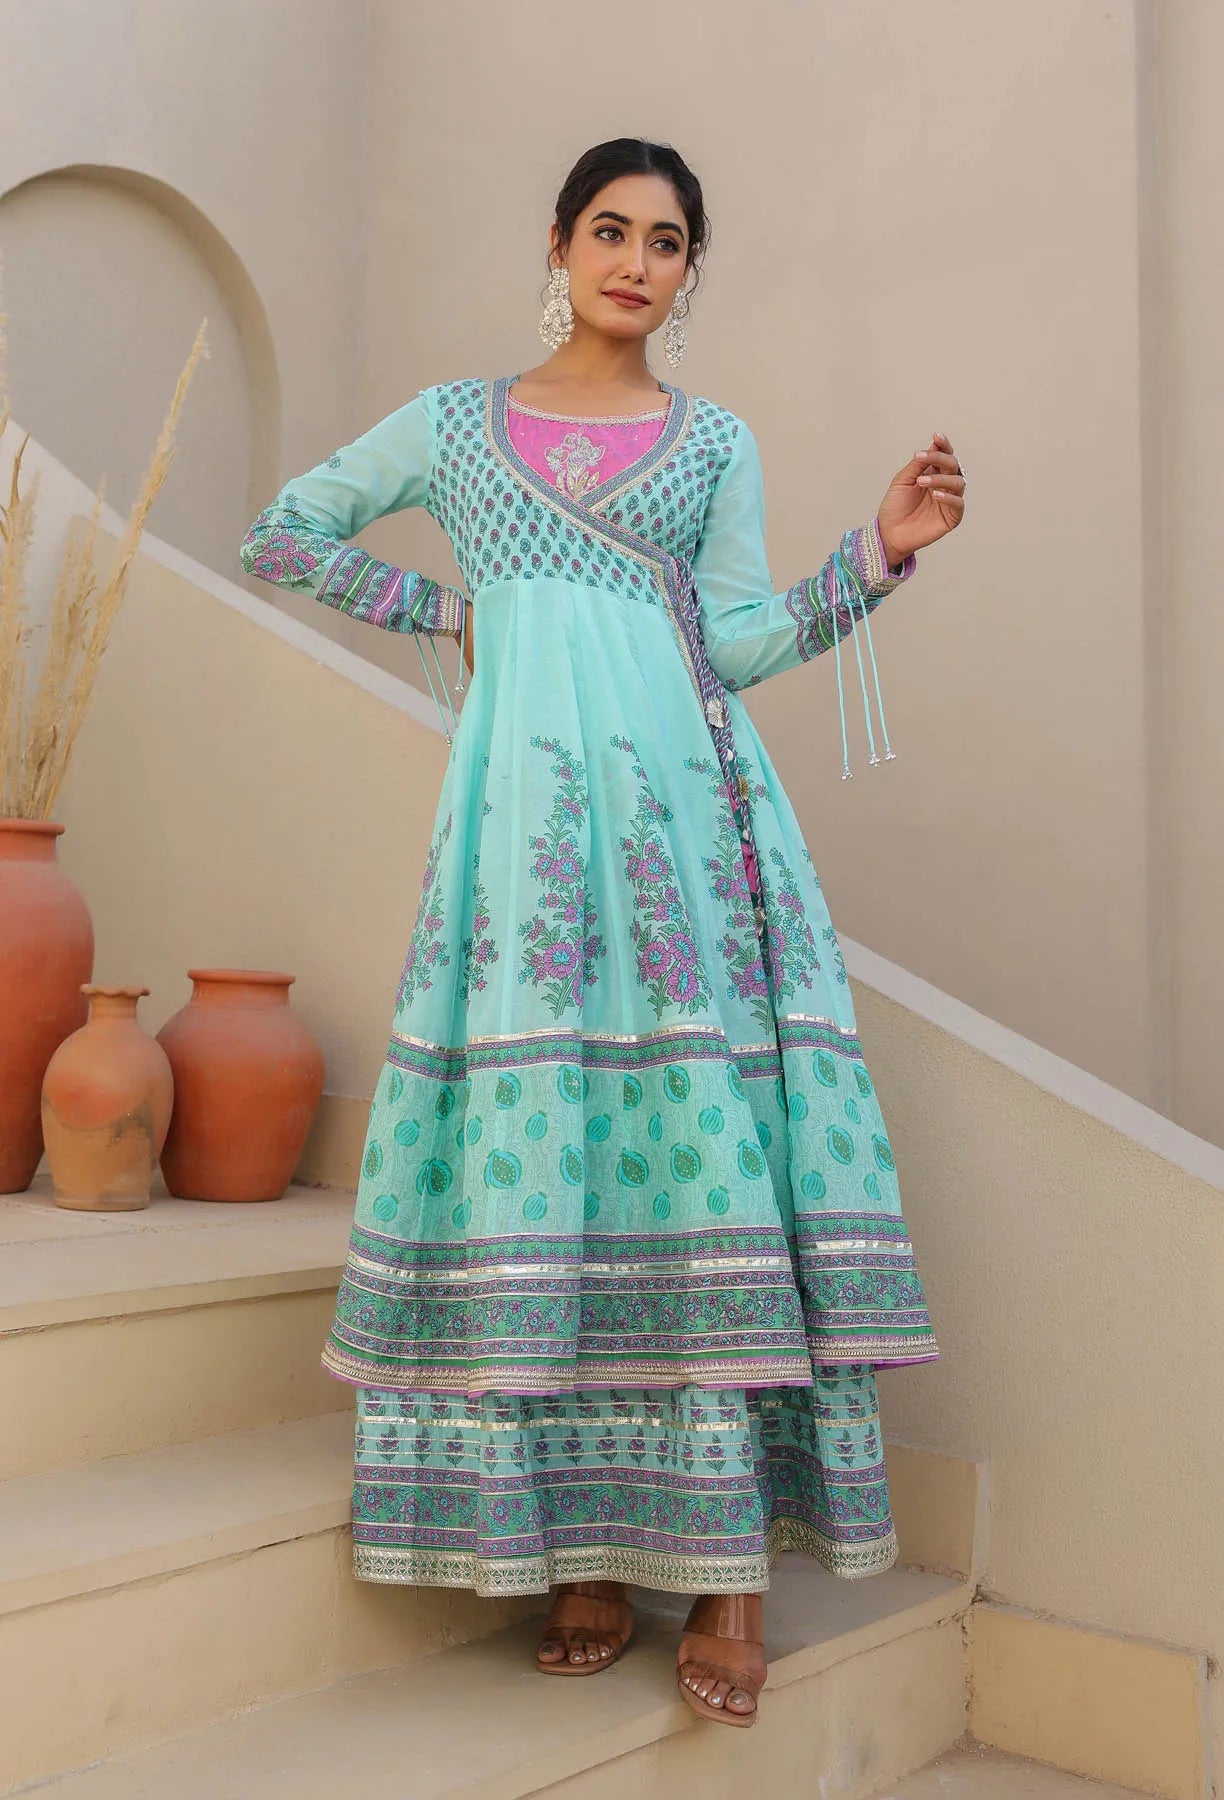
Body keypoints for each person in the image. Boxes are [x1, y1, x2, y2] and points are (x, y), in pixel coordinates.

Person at [240, 136, 963, 1730]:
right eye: (612, 230)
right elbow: (282, 531)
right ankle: (579, 1545)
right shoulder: (453, 427)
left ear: (691, 273)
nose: (639, 260)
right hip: (523, 853)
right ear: (558, 244)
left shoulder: (711, 443)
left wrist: (881, 553)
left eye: (670, 241)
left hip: (695, 831)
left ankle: (724, 1575)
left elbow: (747, 637)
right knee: (555, 1162)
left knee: (695, 1159)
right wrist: (453, 611)